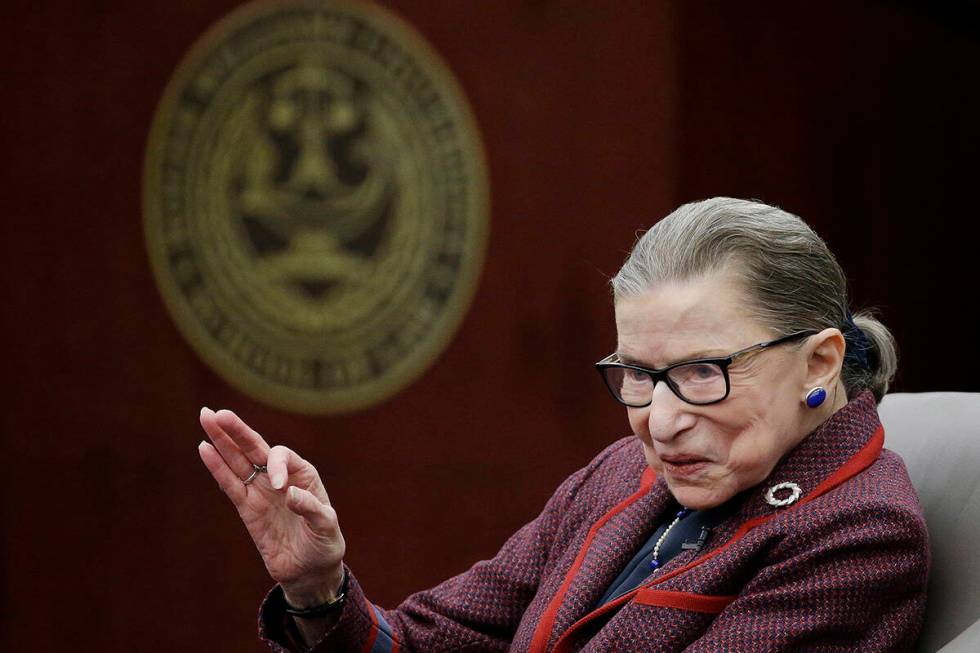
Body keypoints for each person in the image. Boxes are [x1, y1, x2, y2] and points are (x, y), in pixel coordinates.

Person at [198, 197, 928, 652]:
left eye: (705, 371)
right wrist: (319, 589)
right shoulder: (623, 471)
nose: (661, 421)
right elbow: (429, 640)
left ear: (820, 362)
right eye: (639, 374)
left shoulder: (859, 533)